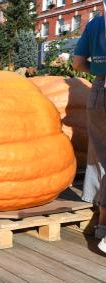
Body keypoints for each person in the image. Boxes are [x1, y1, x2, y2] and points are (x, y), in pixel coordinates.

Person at [73, 10, 106, 253]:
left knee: (100, 155)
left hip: (98, 90)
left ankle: (101, 224)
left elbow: (77, 63)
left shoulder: (95, 23)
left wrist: (97, 72)